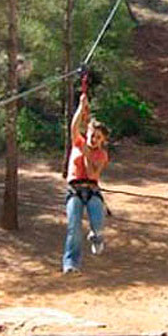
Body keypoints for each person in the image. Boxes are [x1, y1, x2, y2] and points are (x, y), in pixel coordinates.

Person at [62, 92, 110, 274]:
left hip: (92, 190)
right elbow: (74, 127)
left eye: (99, 137)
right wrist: (81, 107)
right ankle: (71, 263)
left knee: (97, 223)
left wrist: (87, 154)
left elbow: (92, 173)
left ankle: (96, 236)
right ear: (88, 133)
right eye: (92, 134)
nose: (94, 139)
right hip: (74, 190)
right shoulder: (78, 142)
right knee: (73, 227)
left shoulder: (102, 155)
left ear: (102, 141)